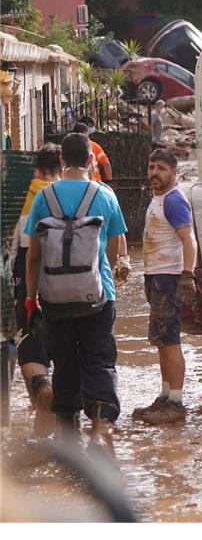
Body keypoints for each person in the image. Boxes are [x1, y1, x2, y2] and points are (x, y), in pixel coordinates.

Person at [23, 132, 129, 456]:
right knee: (99, 360)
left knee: (65, 363)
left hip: (54, 299)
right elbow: (114, 249)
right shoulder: (106, 195)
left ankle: (68, 442)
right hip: (98, 295)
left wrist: (31, 299)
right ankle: (101, 426)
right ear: (91, 160)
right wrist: (102, 276)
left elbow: (33, 257)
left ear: (61, 161)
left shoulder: (45, 197)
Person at [133, 149, 198, 425]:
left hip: (170, 277)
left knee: (170, 340)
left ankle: (176, 402)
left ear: (174, 173)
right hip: (156, 276)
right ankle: (164, 396)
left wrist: (187, 275)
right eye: (151, 167)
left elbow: (189, 240)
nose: (154, 173)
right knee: (161, 339)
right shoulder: (159, 198)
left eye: (160, 168)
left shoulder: (173, 200)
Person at [10, 143, 61, 436]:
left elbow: (11, 248)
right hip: (69, 286)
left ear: (35, 169)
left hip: (25, 286)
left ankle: (41, 390)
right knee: (63, 345)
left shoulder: (19, 198)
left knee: (29, 343)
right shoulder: (71, 195)